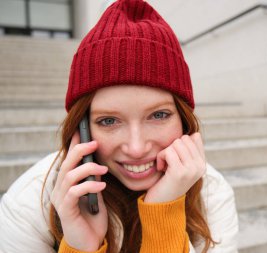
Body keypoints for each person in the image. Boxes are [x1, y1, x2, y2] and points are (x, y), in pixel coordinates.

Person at [0, 0, 238, 252]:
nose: (136, 148)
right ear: (81, 127)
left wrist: (164, 214)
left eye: (158, 115)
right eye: (109, 121)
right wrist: (80, 246)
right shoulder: (30, 201)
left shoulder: (211, 193)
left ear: (184, 120)